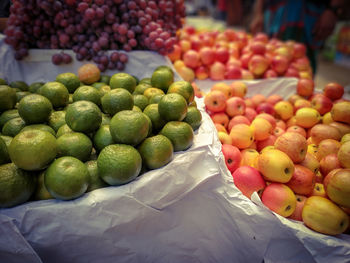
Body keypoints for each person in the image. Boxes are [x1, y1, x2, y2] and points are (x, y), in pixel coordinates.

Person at [250, 0, 344, 73]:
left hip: (307, 11)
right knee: (269, 56)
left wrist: (333, 10)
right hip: (275, 10)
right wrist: (258, 12)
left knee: (303, 62)